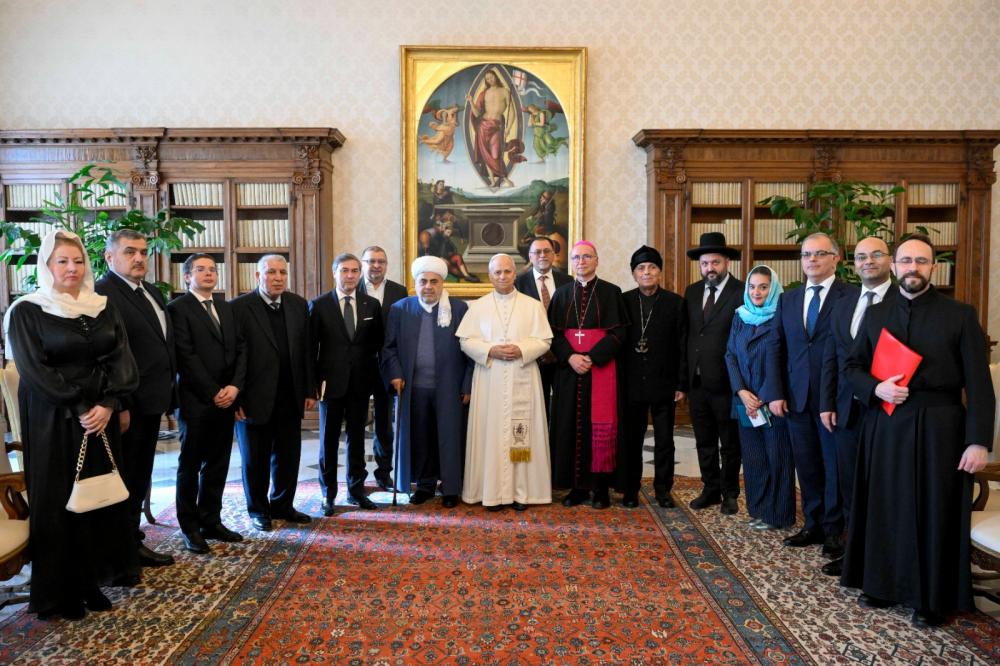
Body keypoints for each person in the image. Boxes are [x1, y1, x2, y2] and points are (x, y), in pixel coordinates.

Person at [842, 234, 994, 627]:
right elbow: (852, 367)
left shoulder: (960, 315)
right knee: (885, 504)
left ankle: (932, 599)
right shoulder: (876, 313)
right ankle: (882, 584)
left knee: (934, 511)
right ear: (894, 266)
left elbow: (979, 384)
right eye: (906, 261)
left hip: (941, 428)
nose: (913, 268)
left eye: (921, 261)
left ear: (933, 267)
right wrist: (876, 388)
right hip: (887, 423)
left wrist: (978, 441)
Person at [4, 229, 139, 620]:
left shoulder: (102, 306)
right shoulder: (28, 310)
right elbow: (34, 369)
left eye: (78, 261)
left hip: (101, 415)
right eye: (62, 261)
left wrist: (109, 403)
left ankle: (89, 581)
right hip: (54, 417)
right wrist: (81, 405)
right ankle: (58, 592)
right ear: (46, 266)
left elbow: (122, 357)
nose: (72, 268)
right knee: (59, 500)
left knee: (96, 498)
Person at [762, 232, 854, 557]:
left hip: (835, 399)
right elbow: (775, 346)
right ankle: (812, 524)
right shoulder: (788, 299)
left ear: (836, 258)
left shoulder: (851, 296)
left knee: (834, 467)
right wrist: (775, 392)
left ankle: (835, 531)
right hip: (796, 398)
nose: (812, 260)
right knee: (808, 465)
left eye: (819, 253)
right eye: (806, 254)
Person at [95, 229, 176, 569]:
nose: (140, 258)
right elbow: (106, 355)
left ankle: (132, 540)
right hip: (128, 406)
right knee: (125, 478)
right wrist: (121, 405)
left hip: (153, 400)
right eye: (130, 252)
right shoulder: (102, 294)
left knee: (140, 475)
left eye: (143, 252)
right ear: (109, 257)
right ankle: (122, 550)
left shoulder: (151, 291)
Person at [817, 236, 892, 576]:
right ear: (853, 263)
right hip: (846, 410)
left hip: (888, 411)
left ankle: (882, 560)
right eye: (861, 257)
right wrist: (827, 402)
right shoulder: (845, 302)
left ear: (890, 260)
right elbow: (832, 356)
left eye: (876, 255)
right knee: (850, 484)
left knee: (883, 487)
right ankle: (853, 556)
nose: (868, 262)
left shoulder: (902, 301)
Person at [458, 253, 553, 511]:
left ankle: (522, 493)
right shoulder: (477, 307)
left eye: (507, 271)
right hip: (489, 379)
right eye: (497, 272)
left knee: (521, 433)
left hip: (523, 375)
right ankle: (491, 493)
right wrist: (491, 350)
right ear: (490, 276)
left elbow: (544, 340)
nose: (502, 276)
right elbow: (466, 341)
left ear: (515, 274)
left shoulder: (532, 306)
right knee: (490, 434)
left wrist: (521, 349)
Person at [168, 253, 246, 554]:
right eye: (201, 269)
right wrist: (214, 391)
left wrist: (235, 387)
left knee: (217, 463)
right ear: (188, 276)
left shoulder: (226, 307)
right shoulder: (178, 309)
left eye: (213, 269)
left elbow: (241, 349)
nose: (209, 273)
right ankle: (190, 527)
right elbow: (185, 356)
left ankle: (211, 520)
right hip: (196, 400)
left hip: (227, 400)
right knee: (190, 465)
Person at [231, 255, 314, 531]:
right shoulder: (239, 307)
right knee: (255, 459)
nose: (278, 278)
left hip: (290, 395)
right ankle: (258, 510)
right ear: (258, 276)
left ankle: (282, 505)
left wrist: (309, 389)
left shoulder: (298, 304)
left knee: (288, 456)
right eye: (271, 272)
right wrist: (236, 397)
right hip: (253, 398)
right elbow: (233, 356)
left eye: (282, 272)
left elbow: (306, 351)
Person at [381, 256, 472, 507]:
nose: (428, 286)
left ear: (442, 283)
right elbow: (389, 348)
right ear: (416, 283)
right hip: (414, 388)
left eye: (434, 281)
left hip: (450, 388)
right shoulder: (401, 308)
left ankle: (451, 488)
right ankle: (425, 485)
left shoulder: (459, 309)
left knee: (449, 438)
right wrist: (395, 374)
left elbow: (470, 350)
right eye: (423, 281)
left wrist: (467, 385)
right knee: (421, 438)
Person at [547, 240, 627, 510]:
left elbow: (619, 333)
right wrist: (571, 356)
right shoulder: (561, 294)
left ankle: (600, 488)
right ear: (571, 262)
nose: (581, 262)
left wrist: (592, 357)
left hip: (601, 370)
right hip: (569, 371)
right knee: (569, 426)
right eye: (576, 257)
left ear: (596, 260)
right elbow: (553, 334)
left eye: (586, 257)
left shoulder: (611, 292)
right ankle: (576, 487)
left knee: (599, 428)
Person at [310, 253, 384, 515]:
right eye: (344, 270)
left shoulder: (371, 305)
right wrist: (312, 385)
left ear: (359, 274)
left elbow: (377, 344)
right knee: (328, 441)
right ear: (335, 273)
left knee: (357, 440)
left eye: (354, 271)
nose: (350, 275)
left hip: (360, 384)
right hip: (329, 385)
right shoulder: (319, 305)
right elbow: (310, 349)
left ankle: (356, 491)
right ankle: (328, 494)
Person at [724, 265, 796, 530]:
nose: (757, 292)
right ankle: (758, 510)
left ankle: (779, 516)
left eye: (763, 287)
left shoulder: (782, 316)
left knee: (778, 459)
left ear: (773, 288)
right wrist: (742, 392)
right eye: (752, 286)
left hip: (772, 402)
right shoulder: (740, 316)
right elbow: (730, 355)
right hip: (745, 402)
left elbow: (785, 361)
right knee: (754, 459)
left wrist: (764, 396)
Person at [618, 246, 686, 508]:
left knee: (665, 440)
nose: (646, 272)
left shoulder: (675, 303)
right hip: (631, 382)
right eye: (641, 268)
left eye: (652, 267)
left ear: (659, 272)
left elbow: (682, 345)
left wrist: (681, 383)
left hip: (664, 382)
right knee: (631, 439)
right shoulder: (624, 301)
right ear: (634, 274)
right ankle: (630, 489)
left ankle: (663, 490)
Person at [682, 232, 744, 515]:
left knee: (730, 442)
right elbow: (688, 335)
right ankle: (710, 488)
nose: (710, 268)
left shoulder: (741, 291)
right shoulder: (692, 292)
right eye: (705, 263)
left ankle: (730, 492)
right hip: (697, 381)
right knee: (704, 440)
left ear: (727, 262)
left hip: (728, 382)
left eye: (715, 262)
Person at [357, 245, 408, 491]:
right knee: (356, 421)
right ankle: (356, 474)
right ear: (363, 264)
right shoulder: (352, 287)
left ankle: (384, 472)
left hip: (386, 365)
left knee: (385, 423)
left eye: (381, 261)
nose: (376, 266)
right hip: (358, 366)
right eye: (371, 261)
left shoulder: (399, 291)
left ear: (386, 265)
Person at [514, 236, 572, 417]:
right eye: (537, 252)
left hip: (562, 355)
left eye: (547, 251)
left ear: (554, 254)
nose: (542, 255)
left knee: (564, 407)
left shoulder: (568, 281)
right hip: (533, 357)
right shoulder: (518, 283)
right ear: (530, 256)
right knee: (536, 409)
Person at [466, 69, 523, 187]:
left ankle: (505, 179)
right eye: (487, 79)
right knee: (486, 154)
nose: (490, 80)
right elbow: (477, 114)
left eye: (491, 77)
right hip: (483, 126)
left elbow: (512, 113)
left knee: (495, 154)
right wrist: (471, 102)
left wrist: (508, 129)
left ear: (496, 76)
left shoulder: (505, 91)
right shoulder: (484, 93)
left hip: (497, 126)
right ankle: (492, 181)